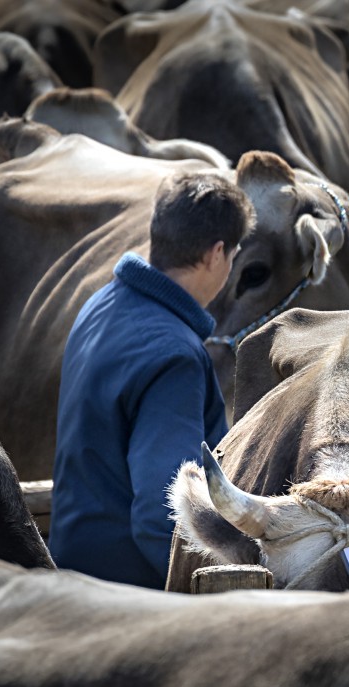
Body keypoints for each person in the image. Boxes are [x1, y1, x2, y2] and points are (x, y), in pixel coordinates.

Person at [48, 172, 253, 589]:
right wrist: (213, 597)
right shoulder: (174, 356)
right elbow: (164, 519)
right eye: (233, 256)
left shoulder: (99, 304)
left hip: (70, 563)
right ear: (217, 254)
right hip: (127, 593)